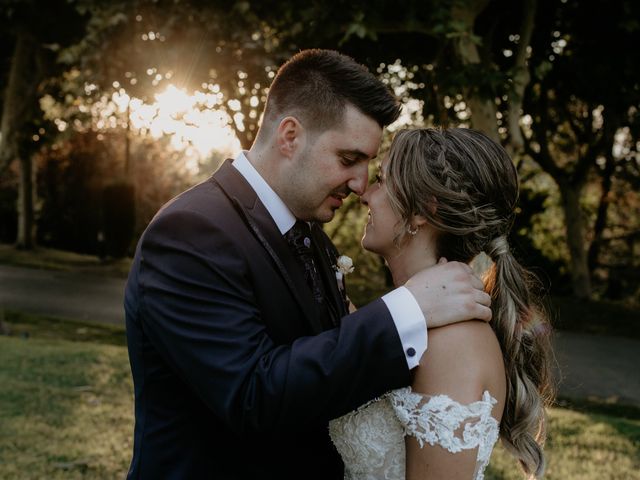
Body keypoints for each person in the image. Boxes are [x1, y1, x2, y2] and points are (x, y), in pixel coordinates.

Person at [124, 50, 492, 479]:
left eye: (369, 165)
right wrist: (407, 309)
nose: (359, 184)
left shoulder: (314, 236)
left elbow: (330, 373)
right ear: (290, 136)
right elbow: (252, 397)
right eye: (349, 159)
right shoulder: (190, 232)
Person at [329, 128, 555, 480]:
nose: (365, 194)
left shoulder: (453, 344)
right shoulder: (404, 321)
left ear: (422, 210)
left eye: (381, 180)